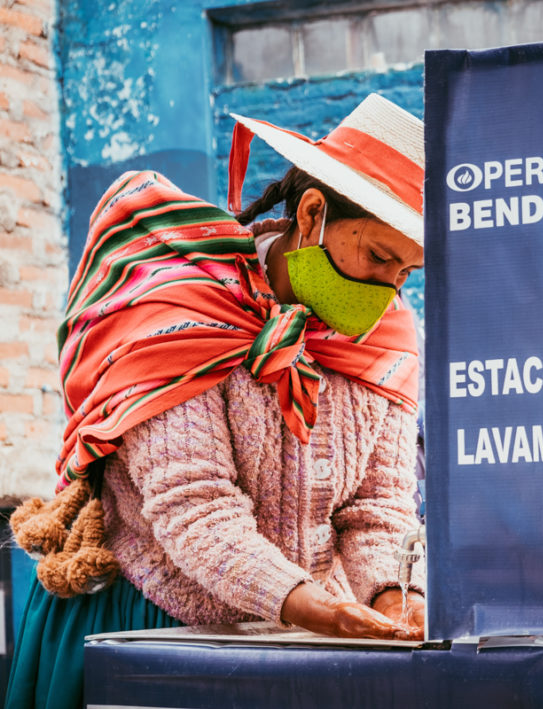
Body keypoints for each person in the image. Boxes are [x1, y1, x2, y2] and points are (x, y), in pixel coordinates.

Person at [6, 93, 427, 708]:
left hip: (303, 639)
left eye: (407, 271)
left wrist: (391, 596)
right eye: (380, 257)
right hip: (154, 628)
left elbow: (378, 507)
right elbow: (195, 508)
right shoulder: (185, 308)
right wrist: (302, 604)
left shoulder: (384, 339)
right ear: (311, 213)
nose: (388, 290)